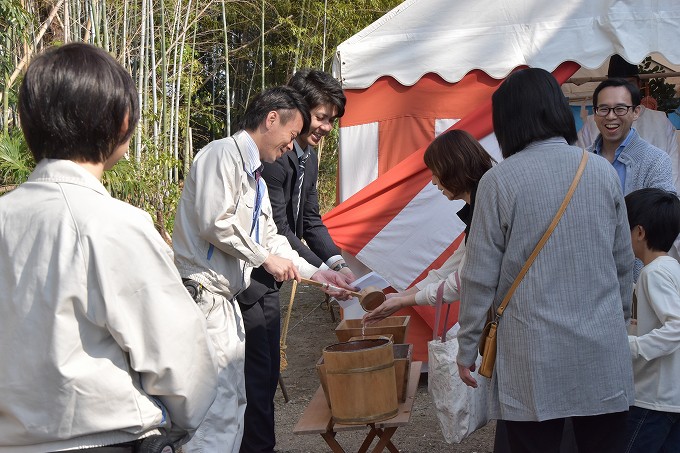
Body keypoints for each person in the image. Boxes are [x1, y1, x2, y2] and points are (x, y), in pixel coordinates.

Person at [0, 43, 218, 452]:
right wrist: (180, 420)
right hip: (105, 438)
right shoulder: (112, 224)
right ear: (123, 122)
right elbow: (180, 360)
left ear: (28, 125)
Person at [457, 67, 634, 453]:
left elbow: (478, 277)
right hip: (601, 350)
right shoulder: (601, 171)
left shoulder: (499, 182)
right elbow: (624, 263)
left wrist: (467, 347)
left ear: (508, 121)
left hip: (531, 355)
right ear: (557, 110)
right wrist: (616, 323)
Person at [172, 85, 354, 453]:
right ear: (271, 119)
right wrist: (263, 258)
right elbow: (214, 220)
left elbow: (273, 238)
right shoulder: (221, 154)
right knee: (213, 409)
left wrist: (318, 274)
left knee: (234, 402)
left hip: (225, 304)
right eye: (290, 136)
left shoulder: (255, 175)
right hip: (203, 296)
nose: (291, 146)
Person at [236, 69, 354, 453]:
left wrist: (335, 263)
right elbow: (280, 229)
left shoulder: (309, 157)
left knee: (267, 375)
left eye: (331, 121)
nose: (325, 128)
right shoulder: (272, 157)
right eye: (321, 117)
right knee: (255, 379)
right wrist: (318, 273)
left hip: (274, 276)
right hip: (248, 280)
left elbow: (310, 220)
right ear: (297, 111)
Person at [363, 129, 493, 324]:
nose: (433, 181)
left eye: (435, 172)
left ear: (454, 168)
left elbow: (461, 282)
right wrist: (401, 297)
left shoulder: (488, 209)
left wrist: (404, 301)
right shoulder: (481, 204)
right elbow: (452, 266)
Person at [623, 188, 680, 453]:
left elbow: (676, 326)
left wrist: (630, 346)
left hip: (651, 400)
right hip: (669, 399)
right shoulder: (671, 268)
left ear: (640, 232)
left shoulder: (653, 274)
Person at [577, 55, 680, 190]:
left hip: (652, 206)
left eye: (629, 83)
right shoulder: (592, 123)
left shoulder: (660, 121)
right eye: (617, 83)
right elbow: (579, 172)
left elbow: (673, 174)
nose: (623, 90)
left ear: (639, 84)